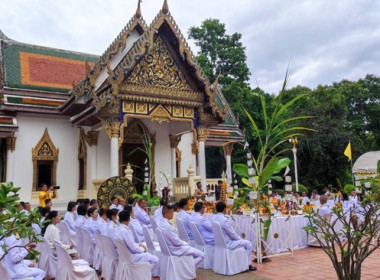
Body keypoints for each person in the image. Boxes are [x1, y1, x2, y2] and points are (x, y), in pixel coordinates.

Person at [212, 201, 257, 272]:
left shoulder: (213, 218)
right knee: (248, 244)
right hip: (228, 243)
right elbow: (232, 234)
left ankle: (241, 264)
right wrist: (240, 239)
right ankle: (248, 265)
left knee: (243, 242)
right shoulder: (224, 220)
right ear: (224, 209)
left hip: (219, 243)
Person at [115, 211, 159, 276]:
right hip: (132, 257)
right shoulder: (126, 231)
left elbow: (129, 244)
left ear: (119, 219)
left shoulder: (117, 230)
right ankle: (144, 276)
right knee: (155, 259)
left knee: (147, 254)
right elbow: (134, 249)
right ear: (129, 220)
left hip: (124, 257)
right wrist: (143, 249)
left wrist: (139, 245)